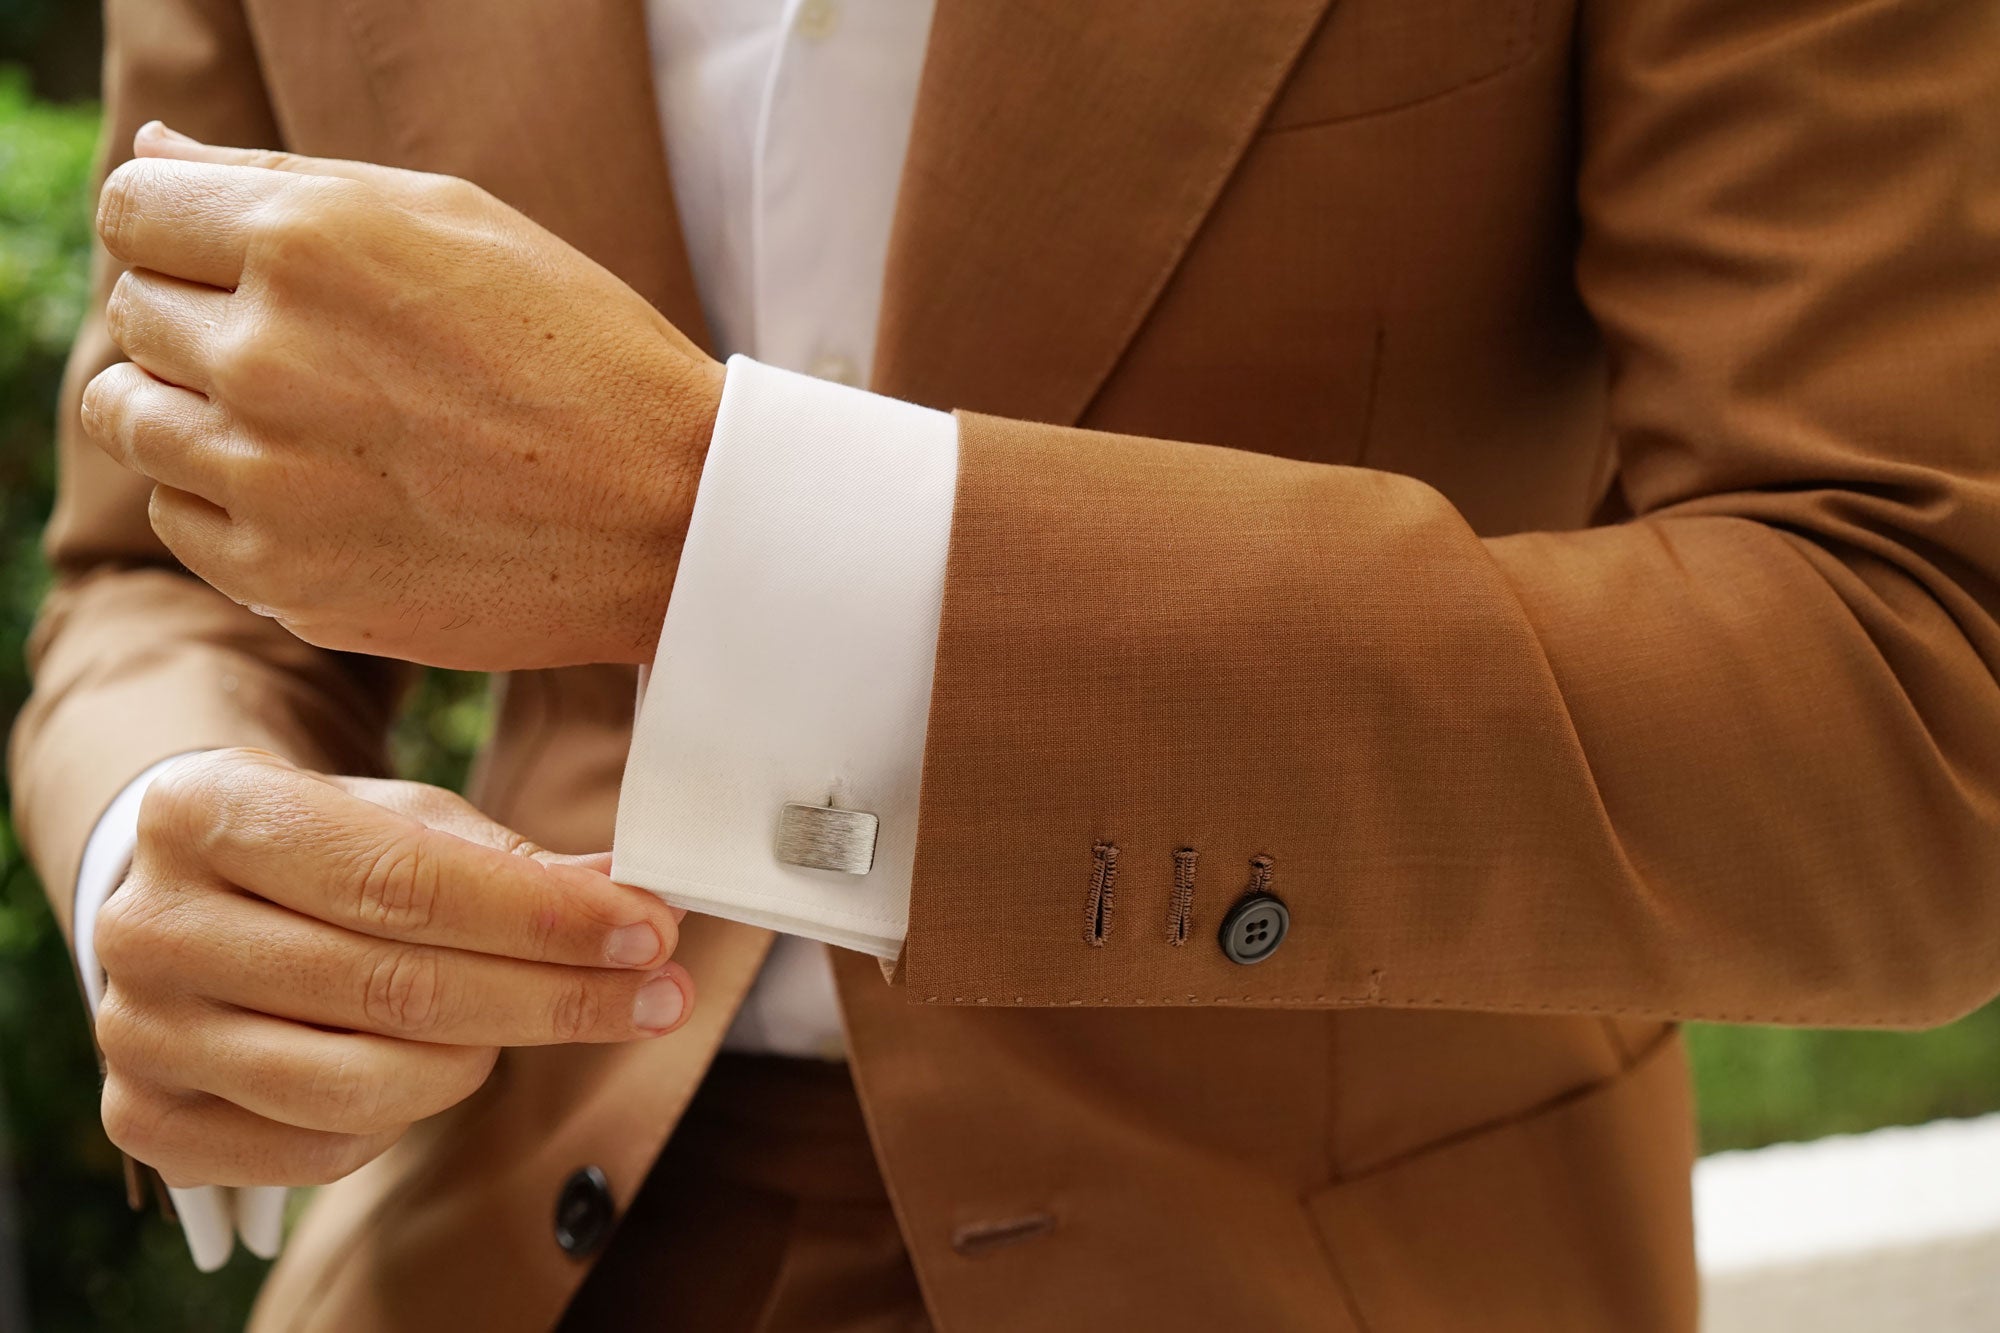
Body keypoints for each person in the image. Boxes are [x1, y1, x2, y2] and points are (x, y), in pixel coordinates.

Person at [12, 0, 2000, 1329]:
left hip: (1330, 1256)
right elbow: (149, 562)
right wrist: (167, 861)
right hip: (495, 1239)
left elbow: (1913, 698)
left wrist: (721, 521)